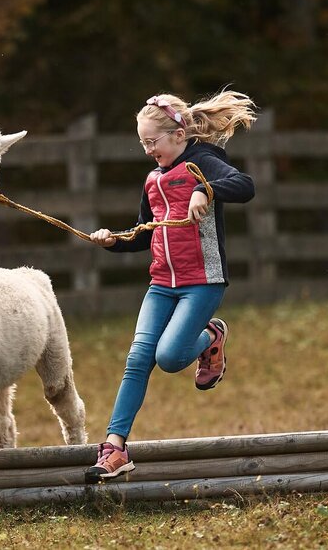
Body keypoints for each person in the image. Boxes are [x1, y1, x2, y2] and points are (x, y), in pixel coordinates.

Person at [85, 89, 257, 479]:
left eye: (152, 142)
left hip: (202, 283)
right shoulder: (153, 180)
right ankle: (115, 447)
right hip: (161, 284)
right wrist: (114, 241)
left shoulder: (204, 163)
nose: (147, 150)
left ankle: (210, 338)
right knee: (138, 358)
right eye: (142, 143)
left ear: (179, 136)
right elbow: (146, 234)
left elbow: (244, 185)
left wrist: (204, 189)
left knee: (170, 357)